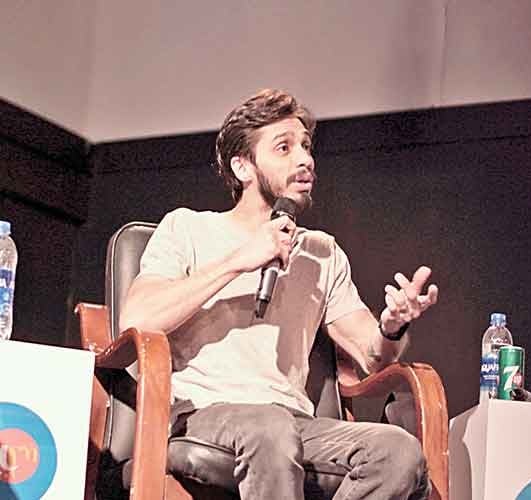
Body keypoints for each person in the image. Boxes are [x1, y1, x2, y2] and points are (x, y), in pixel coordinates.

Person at [119, 88, 439, 499]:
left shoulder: (322, 252)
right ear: (242, 167)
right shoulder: (188, 228)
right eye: (284, 148)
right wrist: (239, 261)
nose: (304, 159)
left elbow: (373, 357)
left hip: (294, 420)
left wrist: (393, 327)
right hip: (205, 412)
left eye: (306, 146)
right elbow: (137, 319)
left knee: (397, 452)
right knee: (271, 429)